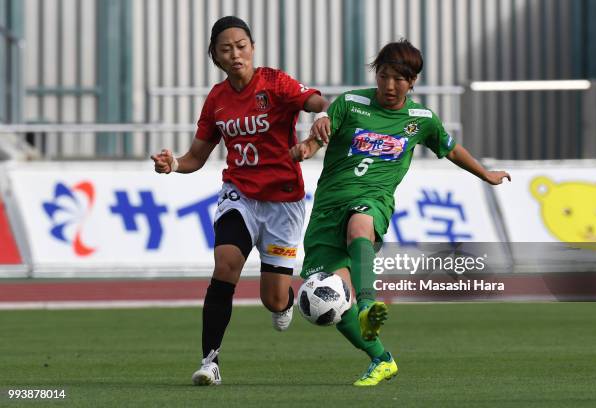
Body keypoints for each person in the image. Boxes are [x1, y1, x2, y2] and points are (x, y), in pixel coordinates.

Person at [290, 39, 510, 386]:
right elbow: (316, 140)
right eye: (384, 76)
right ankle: (381, 359)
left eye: (399, 79)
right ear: (376, 75)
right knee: (327, 296)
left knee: (359, 226)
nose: (390, 86)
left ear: (413, 81)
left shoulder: (421, 119)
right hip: (326, 210)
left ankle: (367, 307)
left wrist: (486, 174)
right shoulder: (350, 103)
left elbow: (451, 150)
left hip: (372, 199)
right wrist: (306, 146)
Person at [151, 16, 329, 386]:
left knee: (273, 299)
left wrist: (321, 112)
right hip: (240, 194)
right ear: (215, 56)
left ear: (252, 48)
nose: (235, 54)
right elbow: (196, 157)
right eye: (226, 49)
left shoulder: (275, 82)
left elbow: (313, 99)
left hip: (283, 202)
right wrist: (174, 165)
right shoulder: (216, 99)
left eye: (241, 46)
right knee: (226, 264)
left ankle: (285, 301)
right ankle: (209, 361)